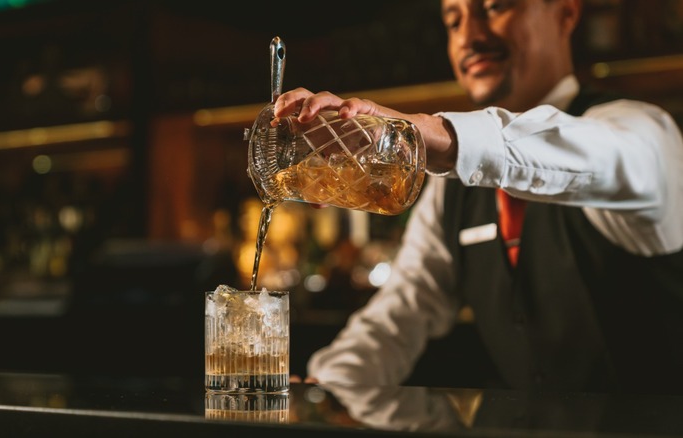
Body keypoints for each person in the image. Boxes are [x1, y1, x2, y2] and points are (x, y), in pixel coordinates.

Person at [274, 0, 683, 394]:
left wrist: (422, 134)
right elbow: (400, 313)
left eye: (495, 7)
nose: (469, 36)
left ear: (566, 12)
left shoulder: (645, 132)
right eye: (453, 21)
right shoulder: (451, 186)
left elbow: (596, 155)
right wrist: (325, 390)